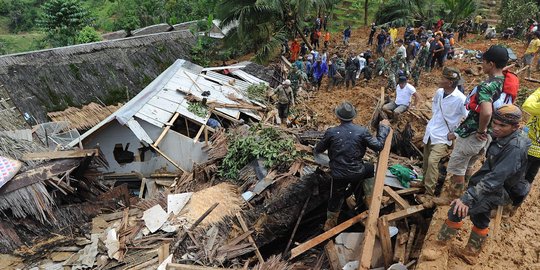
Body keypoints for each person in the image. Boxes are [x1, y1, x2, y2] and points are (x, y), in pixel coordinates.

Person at [436, 104, 530, 265]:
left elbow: (496, 178)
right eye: (495, 123)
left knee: (457, 210)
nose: (496, 128)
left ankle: (439, 247)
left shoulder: (514, 148)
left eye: (502, 126)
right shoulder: (503, 136)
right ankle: (471, 252)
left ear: (516, 127)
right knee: (480, 216)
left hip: (499, 189)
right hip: (491, 184)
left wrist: (467, 198)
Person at [436, 45, 510, 204]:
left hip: (473, 134)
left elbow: (487, 111)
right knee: (468, 165)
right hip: (487, 136)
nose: (481, 66)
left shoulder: (486, 86)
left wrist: (480, 130)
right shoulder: (502, 81)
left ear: (491, 64)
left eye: (483, 62)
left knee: (457, 167)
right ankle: (463, 194)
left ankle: (452, 198)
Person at [314, 102, 391, 230]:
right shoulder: (362, 131)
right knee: (369, 168)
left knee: (335, 196)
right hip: (357, 172)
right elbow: (378, 145)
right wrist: (383, 128)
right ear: (353, 117)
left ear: (338, 117)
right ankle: (370, 200)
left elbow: (318, 149)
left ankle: (330, 223)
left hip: (339, 175)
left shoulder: (332, 132)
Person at [417, 68, 468, 206]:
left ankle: (429, 193)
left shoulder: (461, 99)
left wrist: (456, 133)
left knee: (433, 161)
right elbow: (435, 107)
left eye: (443, 78)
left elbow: (470, 119)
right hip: (431, 131)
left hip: (443, 136)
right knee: (426, 160)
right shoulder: (439, 92)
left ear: (450, 83)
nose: (440, 80)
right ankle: (423, 184)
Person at [521, 87, 540, 204]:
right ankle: (514, 207)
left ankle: (507, 205)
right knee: (529, 177)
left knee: (518, 176)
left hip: (530, 147)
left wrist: (538, 92)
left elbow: (527, 105)